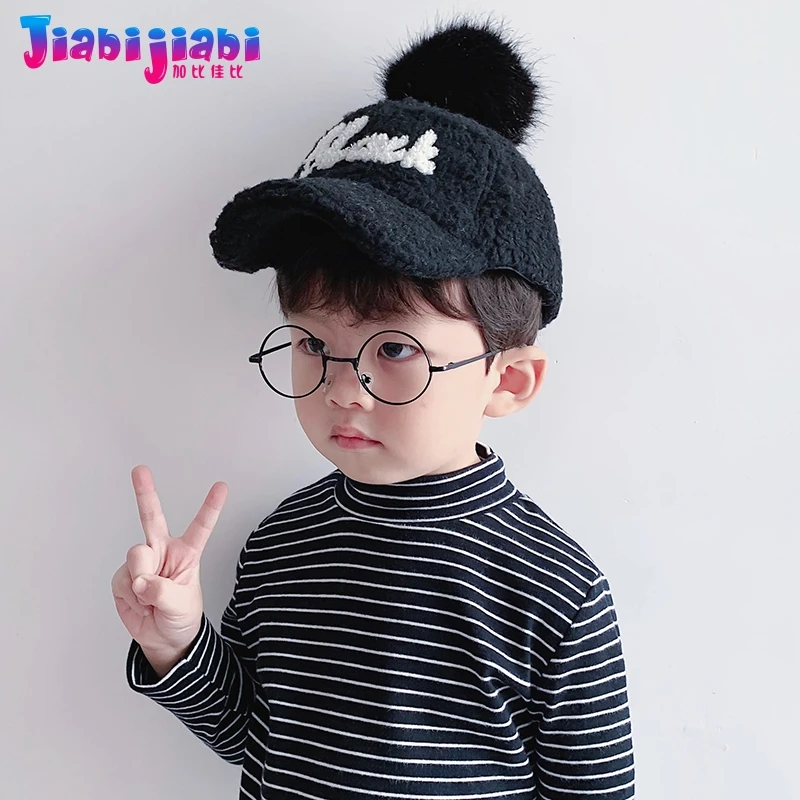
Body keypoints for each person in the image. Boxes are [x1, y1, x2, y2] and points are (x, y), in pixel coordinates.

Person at [111, 13, 635, 799]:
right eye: (312, 343)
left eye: (394, 349)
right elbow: (256, 738)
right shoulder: (284, 541)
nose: (340, 388)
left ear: (508, 381)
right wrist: (178, 644)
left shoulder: (552, 590)